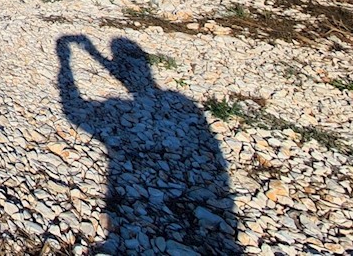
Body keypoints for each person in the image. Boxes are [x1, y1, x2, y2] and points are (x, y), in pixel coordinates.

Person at [55, 35, 241, 254]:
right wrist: (89, 56)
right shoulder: (183, 103)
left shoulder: (177, 103)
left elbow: (73, 110)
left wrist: (66, 61)